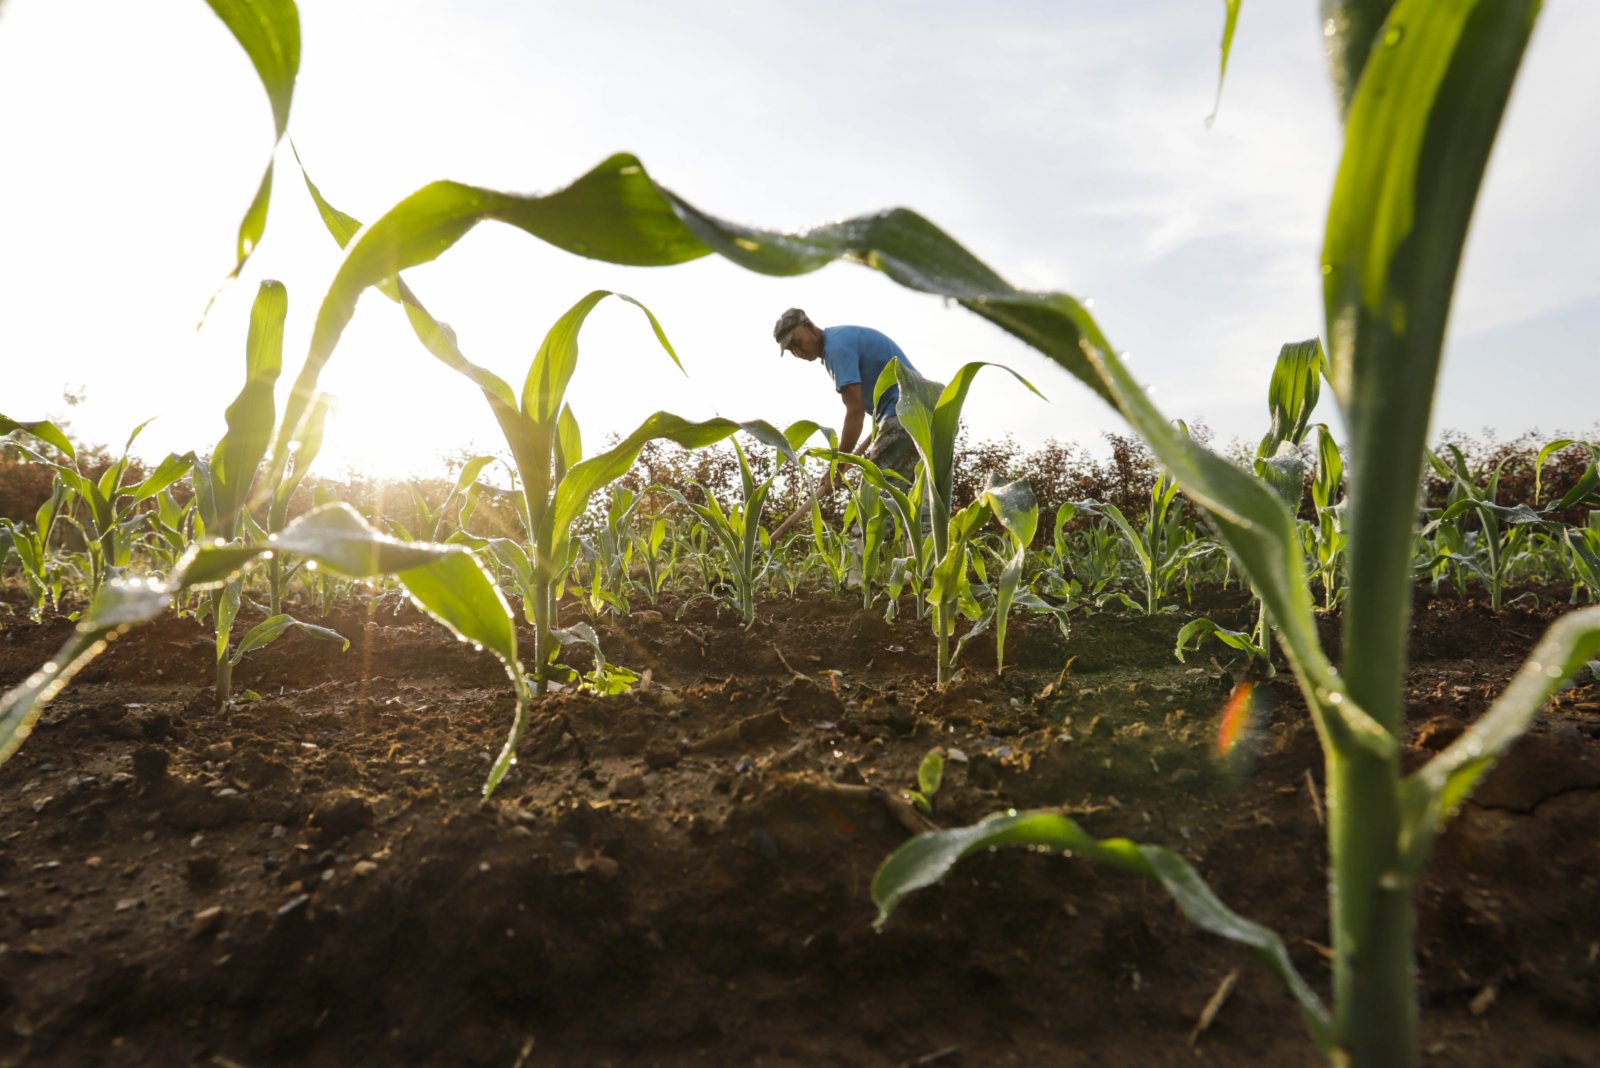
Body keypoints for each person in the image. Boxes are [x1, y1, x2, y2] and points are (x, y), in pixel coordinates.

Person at [768, 308, 921, 539]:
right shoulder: (843, 340)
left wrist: (836, 467)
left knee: (873, 499)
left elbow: (855, 413)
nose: (797, 352)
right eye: (791, 350)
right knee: (917, 504)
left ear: (810, 326)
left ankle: (860, 572)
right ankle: (924, 570)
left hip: (901, 414)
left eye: (797, 342)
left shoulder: (836, 348)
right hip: (920, 414)